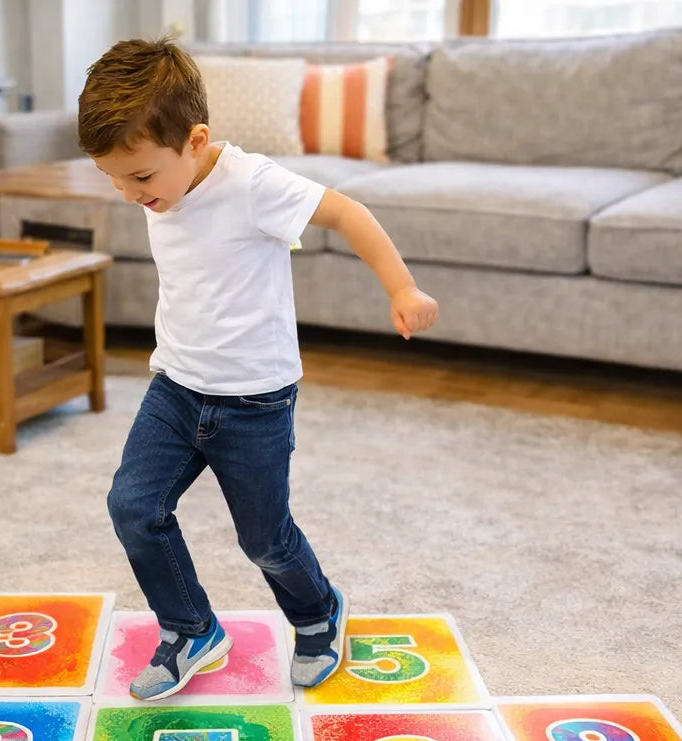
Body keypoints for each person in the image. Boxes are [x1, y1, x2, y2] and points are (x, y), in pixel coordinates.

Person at [78, 37, 438, 701]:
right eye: (115, 179)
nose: (130, 195)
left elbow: (348, 213)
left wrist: (403, 289)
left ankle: (318, 613)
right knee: (133, 505)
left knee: (264, 539)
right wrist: (146, 184)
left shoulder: (253, 184)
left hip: (254, 403)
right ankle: (191, 629)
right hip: (177, 388)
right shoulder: (161, 187)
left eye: (142, 178)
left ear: (195, 141)